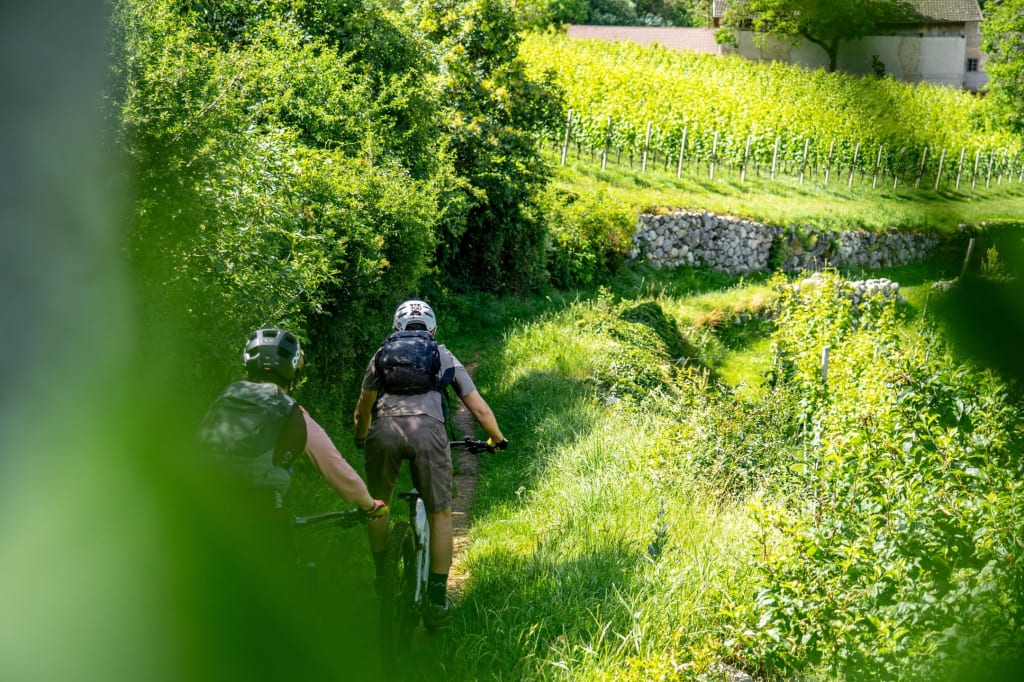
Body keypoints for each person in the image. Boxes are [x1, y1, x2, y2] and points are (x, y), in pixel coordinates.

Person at [353, 300, 508, 628]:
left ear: (396, 328)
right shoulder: (442, 354)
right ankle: (437, 599)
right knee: (440, 514)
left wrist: (361, 437)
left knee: (377, 505)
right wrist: (496, 438)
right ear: (432, 328)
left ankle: (383, 574)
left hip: (385, 431)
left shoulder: (382, 355)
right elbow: (477, 408)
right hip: (429, 432)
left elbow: (362, 408)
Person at [199, 327, 387, 521]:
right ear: (293, 369)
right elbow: (334, 465)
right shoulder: (290, 413)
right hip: (259, 507)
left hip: (202, 496)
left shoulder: (227, 396)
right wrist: (369, 504)